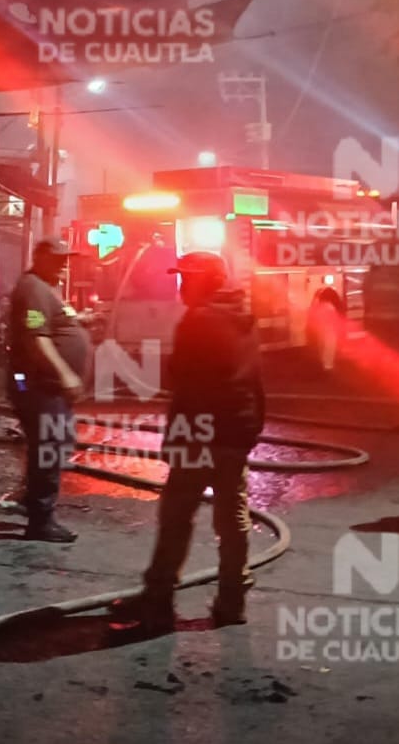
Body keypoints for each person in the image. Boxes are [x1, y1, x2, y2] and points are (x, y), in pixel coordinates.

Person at [118, 251, 265, 630]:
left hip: (203, 431)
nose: (182, 285)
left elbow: (184, 378)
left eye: (188, 278)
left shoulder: (198, 320)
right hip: (238, 428)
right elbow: (251, 378)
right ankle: (232, 601)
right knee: (233, 515)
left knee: (177, 515)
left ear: (208, 281)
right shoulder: (242, 315)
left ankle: (158, 598)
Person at [7, 237, 89, 543]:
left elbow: (50, 325)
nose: (65, 264)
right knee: (50, 445)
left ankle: (32, 500)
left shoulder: (45, 288)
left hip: (44, 386)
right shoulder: (33, 289)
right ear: (39, 258)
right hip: (39, 385)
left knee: (53, 442)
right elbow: (36, 338)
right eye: (58, 259)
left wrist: (80, 322)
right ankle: (40, 520)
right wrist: (65, 373)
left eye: (67, 258)